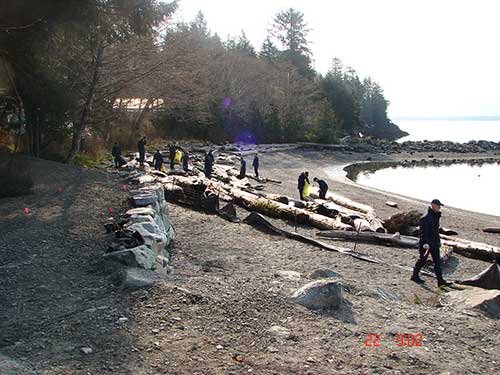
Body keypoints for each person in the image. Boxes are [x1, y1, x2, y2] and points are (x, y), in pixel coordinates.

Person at [411, 199, 452, 287]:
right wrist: (425, 243)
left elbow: (435, 231)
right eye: (438, 205)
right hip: (426, 244)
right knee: (422, 260)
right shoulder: (426, 218)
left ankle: (440, 281)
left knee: (437, 262)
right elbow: (423, 232)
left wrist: (438, 241)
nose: (439, 207)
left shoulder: (435, 216)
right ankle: (414, 275)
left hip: (434, 243)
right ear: (433, 205)